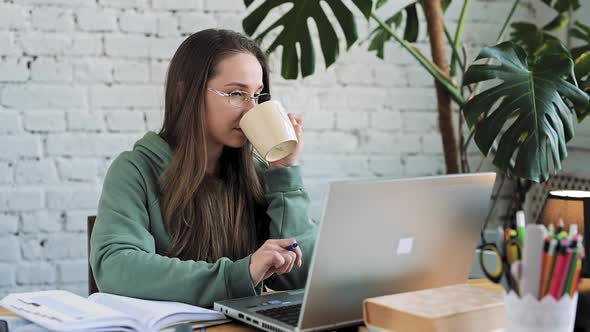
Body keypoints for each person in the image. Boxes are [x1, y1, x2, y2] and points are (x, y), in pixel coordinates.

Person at [90, 29, 317, 307]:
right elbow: (116, 269)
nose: (251, 109)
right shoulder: (136, 170)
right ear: (187, 93)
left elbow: (299, 278)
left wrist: (285, 173)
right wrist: (237, 275)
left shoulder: (257, 173)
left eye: (257, 95)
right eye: (236, 93)